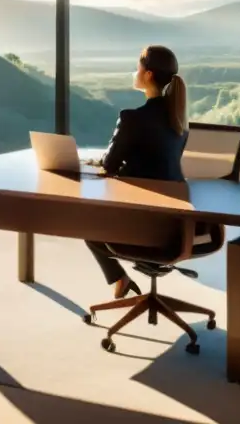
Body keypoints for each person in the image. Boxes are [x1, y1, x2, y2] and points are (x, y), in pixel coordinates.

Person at [86, 45, 188, 298]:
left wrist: (102, 163)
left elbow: (109, 165)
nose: (135, 72)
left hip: (140, 227)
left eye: (138, 67)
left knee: (86, 223)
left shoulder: (132, 118)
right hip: (176, 229)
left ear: (148, 75)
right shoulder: (180, 124)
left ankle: (119, 277)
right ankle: (120, 280)